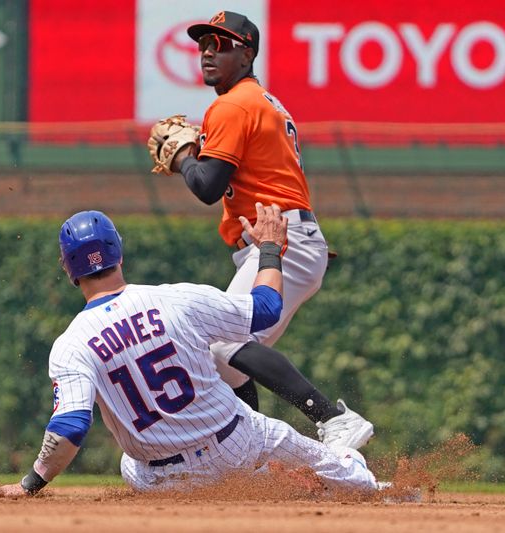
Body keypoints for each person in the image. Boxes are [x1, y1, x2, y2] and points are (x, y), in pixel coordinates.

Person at [0, 206, 378, 496]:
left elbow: (71, 427)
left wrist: (31, 483)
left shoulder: (71, 344)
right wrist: (270, 249)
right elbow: (266, 309)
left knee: (128, 464)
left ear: (67, 269)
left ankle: (257, 482)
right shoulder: (176, 299)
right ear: (119, 253)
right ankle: (337, 466)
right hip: (236, 444)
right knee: (352, 477)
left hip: (157, 478)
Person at [148, 10, 373, 449]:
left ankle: (331, 418)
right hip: (288, 238)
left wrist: (184, 158)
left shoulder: (232, 104)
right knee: (226, 364)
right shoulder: (262, 101)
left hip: (282, 239)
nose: (209, 52)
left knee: (221, 343)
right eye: (204, 45)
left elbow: (208, 187)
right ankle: (256, 453)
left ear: (247, 51)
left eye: (223, 44)